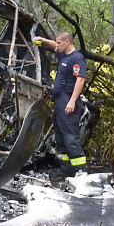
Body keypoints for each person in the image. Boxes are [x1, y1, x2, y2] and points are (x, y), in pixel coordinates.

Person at [33, 31, 88, 175]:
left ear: (67, 42)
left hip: (68, 101)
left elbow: (80, 80)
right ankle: (66, 169)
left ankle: (80, 170)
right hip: (59, 101)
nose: (57, 45)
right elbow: (53, 46)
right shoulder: (64, 55)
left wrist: (72, 101)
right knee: (61, 138)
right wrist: (43, 40)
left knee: (70, 137)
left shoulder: (77, 58)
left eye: (59, 43)